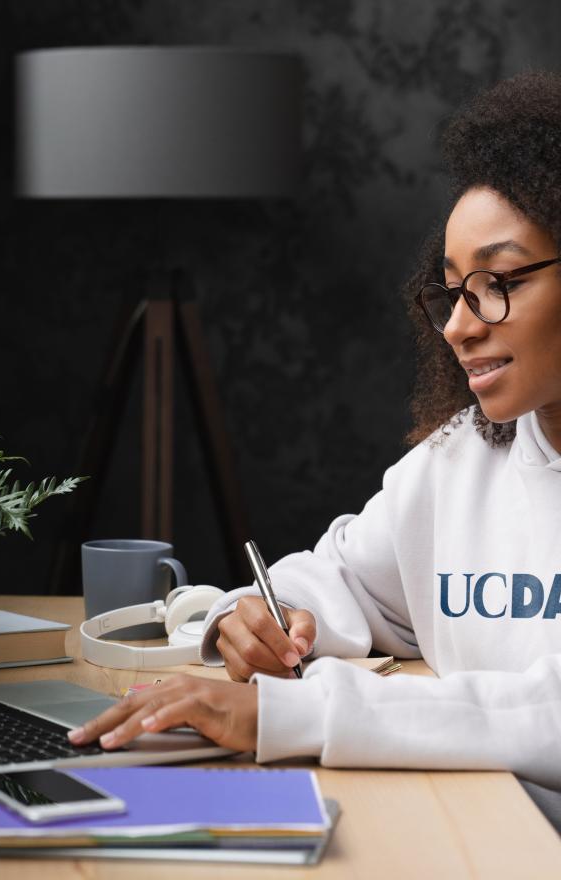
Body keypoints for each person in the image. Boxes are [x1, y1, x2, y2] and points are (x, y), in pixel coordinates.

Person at [68, 70, 561, 791]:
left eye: (499, 283)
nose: (457, 324)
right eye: (452, 290)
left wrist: (287, 714)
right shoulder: (459, 460)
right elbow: (344, 578)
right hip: (478, 822)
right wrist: (260, 616)